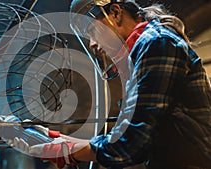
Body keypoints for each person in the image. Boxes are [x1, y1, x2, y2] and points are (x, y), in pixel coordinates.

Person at [11, 0, 211, 168]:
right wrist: (60, 141)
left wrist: (67, 151)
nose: (91, 44)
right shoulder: (146, 49)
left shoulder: (157, 44)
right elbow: (125, 139)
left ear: (115, 12)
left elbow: (131, 145)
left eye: (91, 29)